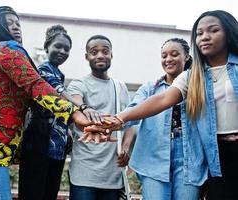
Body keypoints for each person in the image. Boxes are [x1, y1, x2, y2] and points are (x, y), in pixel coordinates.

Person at [84, 10, 238, 200]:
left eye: (213, 30)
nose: (205, 37)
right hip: (190, 156)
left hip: (194, 158)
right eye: (199, 33)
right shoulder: (191, 78)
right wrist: (116, 120)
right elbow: (161, 100)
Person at [0, 6, 90, 200]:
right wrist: (76, 114)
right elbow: (37, 85)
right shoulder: (8, 49)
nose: (16, 27)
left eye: (17, 23)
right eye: (9, 23)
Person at [19, 25, 101, 200]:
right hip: (37, 145)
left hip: (57, 149)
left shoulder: (60, 74)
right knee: (33, 195)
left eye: (67, 49)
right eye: (58, 46)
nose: (62, 51)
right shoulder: (42, 70)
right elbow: (58, 93)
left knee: (50, 194)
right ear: (47, 47)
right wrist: (83, 107)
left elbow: (61, 113)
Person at [126, 38, 200, 200]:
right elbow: (132, 111)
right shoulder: (149, 88)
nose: (168, 59)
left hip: (190, 158)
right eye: (164, 56)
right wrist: (110, 123)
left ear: (186, 57)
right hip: (153, 155)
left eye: (174, 55)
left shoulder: (198, 87)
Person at [67, 35, 134, 200]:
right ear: (86, 57)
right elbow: (76, 105)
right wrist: (86, 111)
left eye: (105, 51)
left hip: (113, 174)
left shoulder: (120, 87)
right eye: (93, 52)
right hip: (83, 173)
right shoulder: (78, 84)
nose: (100, 55)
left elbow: (130, 123)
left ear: (111, 54)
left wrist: (125, 148)